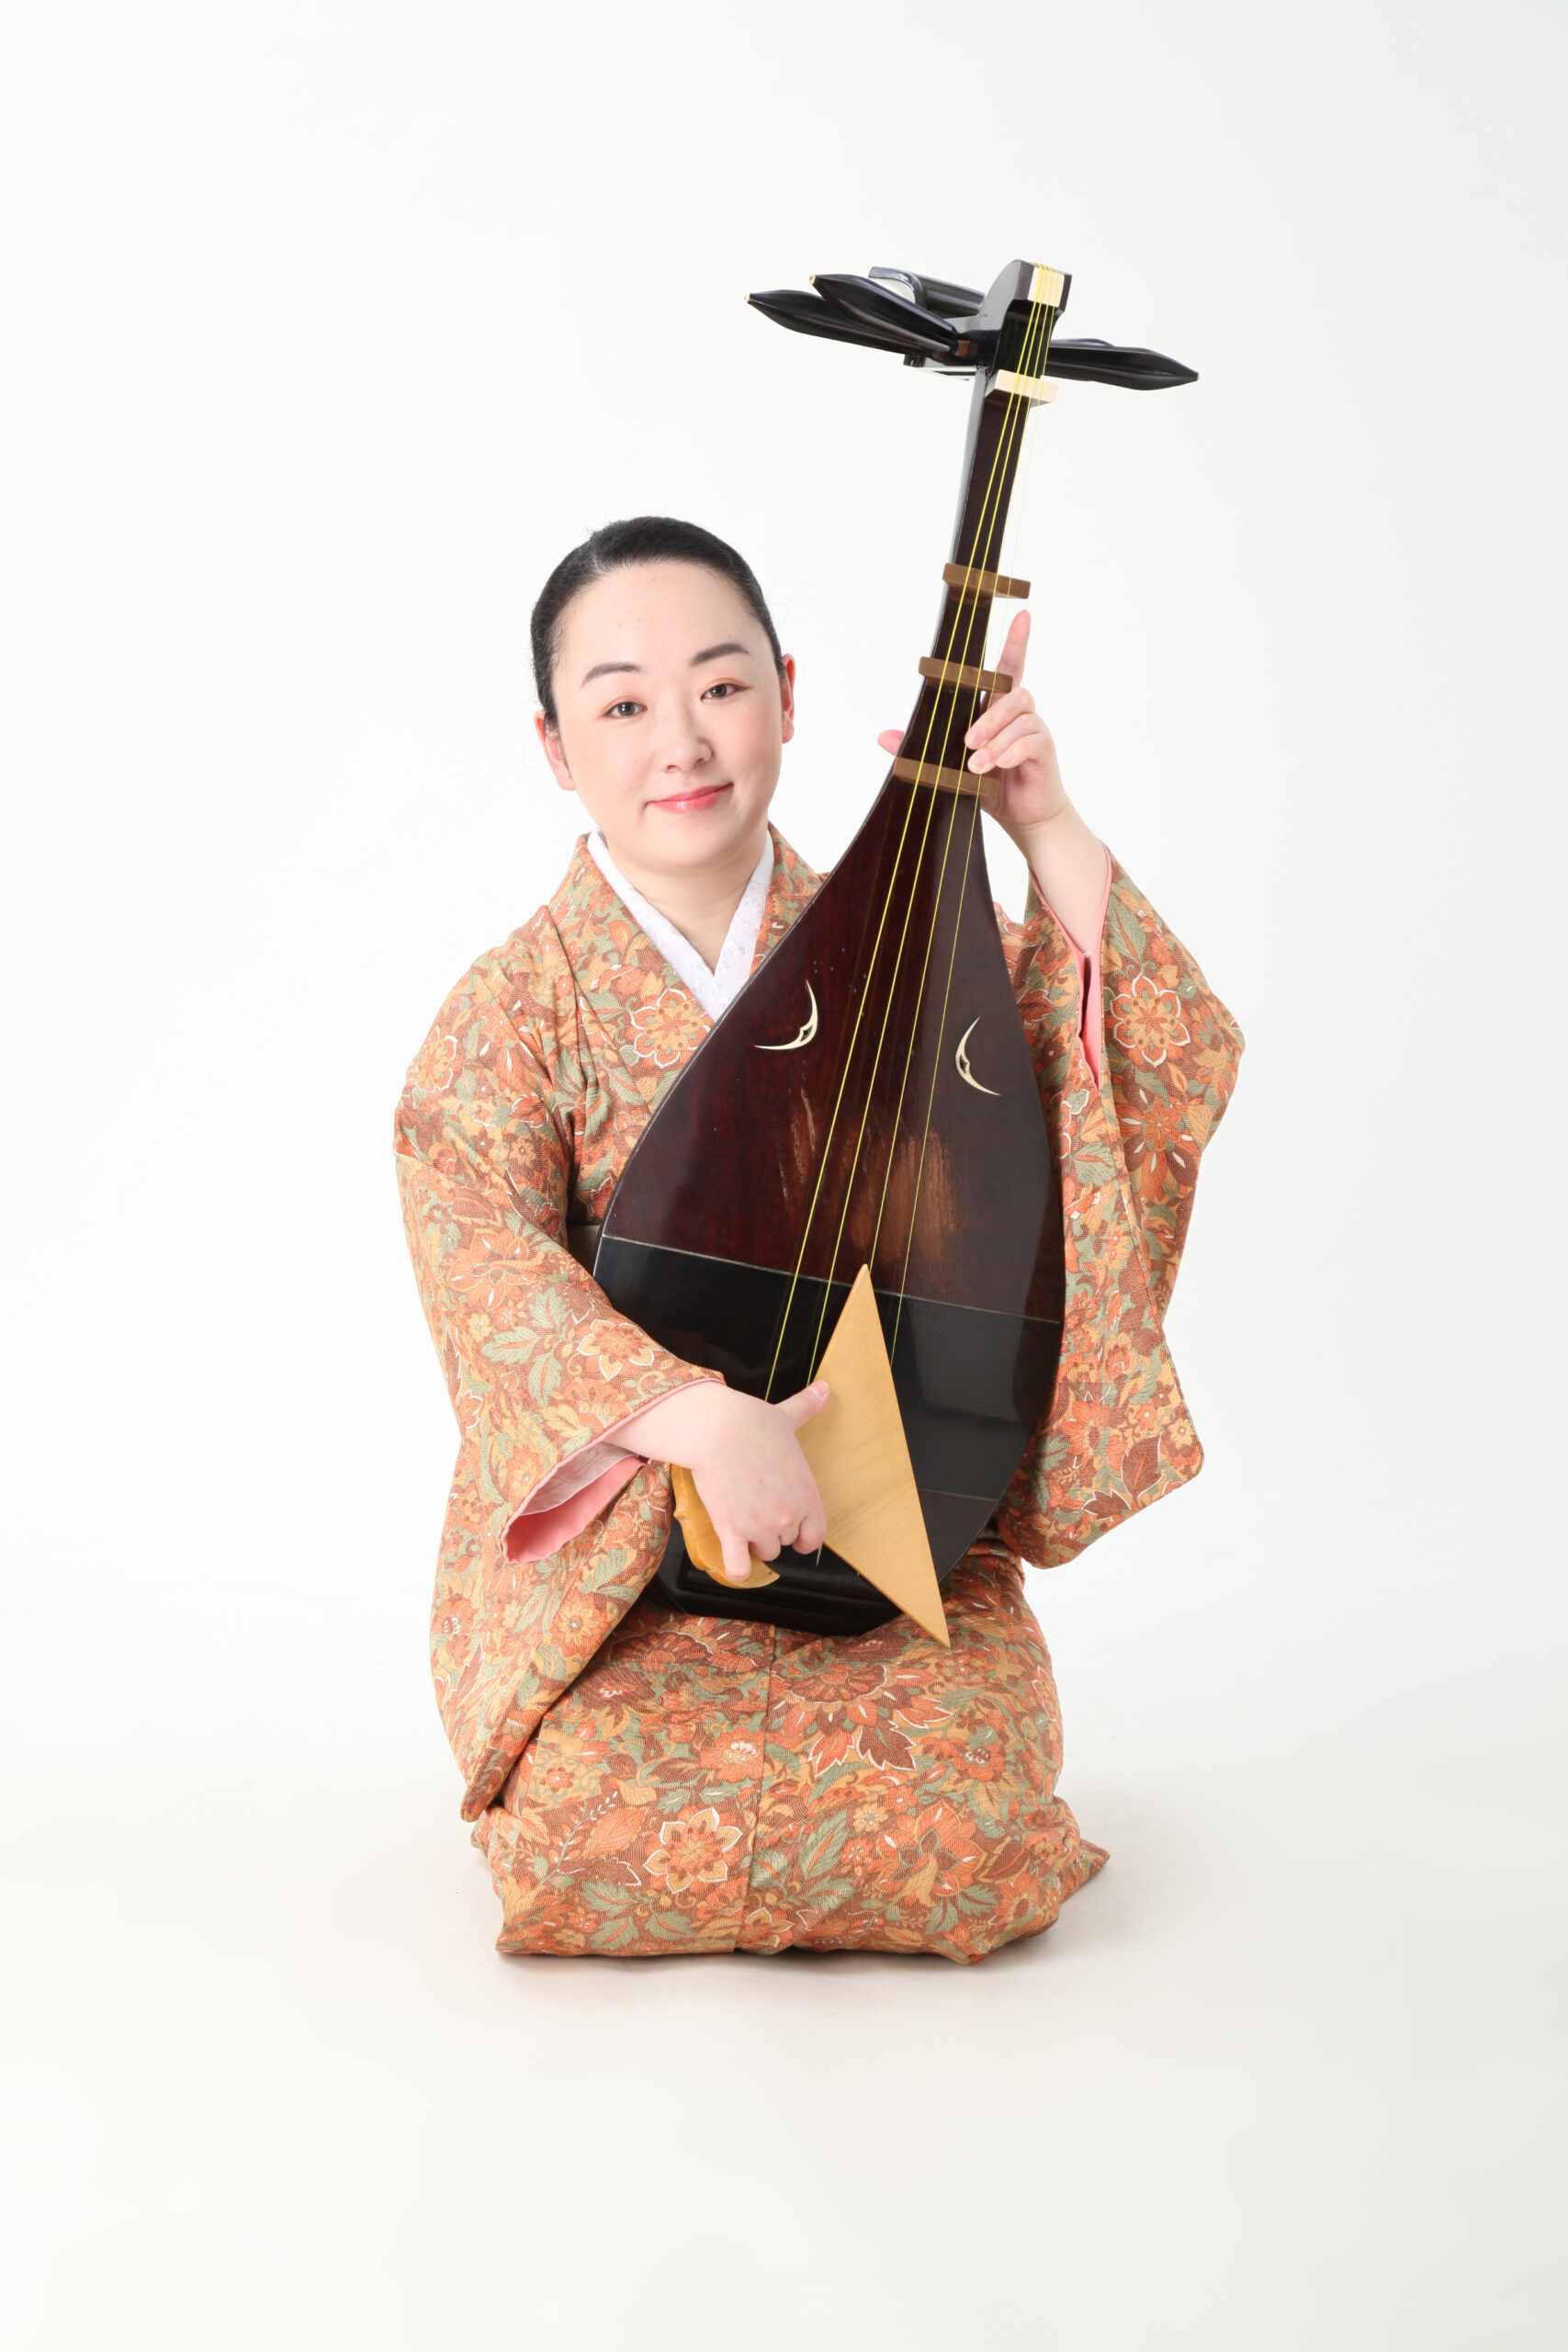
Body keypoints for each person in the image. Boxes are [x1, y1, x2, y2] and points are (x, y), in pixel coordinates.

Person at [395, 515, 1242, 1962]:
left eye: (721, 685)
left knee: (965, 1837)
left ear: (788, 693)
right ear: (555, 746)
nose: (682, 741)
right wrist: (697, 1422)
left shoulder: (918, 948)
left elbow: (1136, 1070)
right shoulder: (517, 1008)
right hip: (629, 1582)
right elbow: (484, 1268)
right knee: (587, 1836)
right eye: (621, 704)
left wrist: (1039, 821)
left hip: (895, 1543)